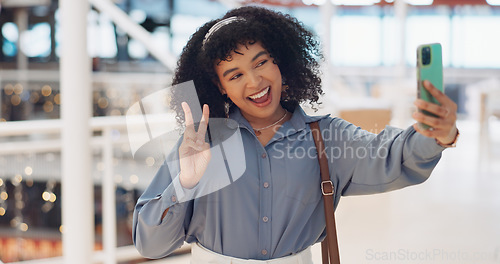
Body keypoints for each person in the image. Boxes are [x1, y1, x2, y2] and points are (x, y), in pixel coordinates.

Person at [132, 6, 459, 263]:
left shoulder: (325, 138)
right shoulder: (201, 144)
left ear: (280, 61)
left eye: (261, 63)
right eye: (235, 75)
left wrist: (435, 133)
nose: (255, 82)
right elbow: (151, 244)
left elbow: (393, 155)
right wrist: (184, 184)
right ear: (219, 87)